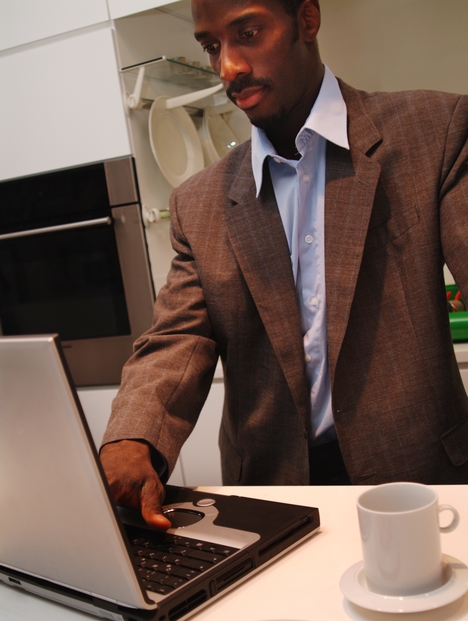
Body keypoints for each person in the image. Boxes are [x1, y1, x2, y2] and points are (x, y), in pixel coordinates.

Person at [100, 0, 468, 529]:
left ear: (307, 20)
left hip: (421, 486)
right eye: (210, 46)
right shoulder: (198, 203)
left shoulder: (433, 132)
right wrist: (132, 438)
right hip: (273, 500)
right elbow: (176, 341)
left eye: (247, 32)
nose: (228, 67)